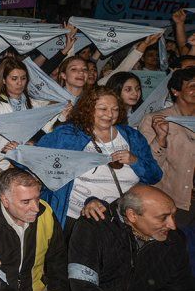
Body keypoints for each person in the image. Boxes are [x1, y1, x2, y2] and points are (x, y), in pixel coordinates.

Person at [67, 185, 195, 291]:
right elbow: (84, 289)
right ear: (132, 215)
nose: (172, 225)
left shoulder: (174, 241)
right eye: (163, 218)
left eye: (173, 215)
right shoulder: (93, 226)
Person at [37, 86, 162, 228]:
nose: (109, 114)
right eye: (103, 109)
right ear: (89, 109)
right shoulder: (68, 134)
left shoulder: (132, 136)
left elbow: (155, 176)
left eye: (115, 109)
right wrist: (18, 150)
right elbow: (36, 160)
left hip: (119, 219)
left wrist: (135, 161)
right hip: (73, 217)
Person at [0, 57, 60, 172]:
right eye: (14, 78)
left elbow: (49, 128)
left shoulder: (34, 104)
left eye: (23, 78)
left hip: (25, 163)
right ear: (4, 80)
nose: (19, 83)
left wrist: (61, 111)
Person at [139, 67, 195, 227]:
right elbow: (147, 166)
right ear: (175, 91)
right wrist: (160, 139)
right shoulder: (156, 120)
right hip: (171, 201)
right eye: (192, 86)